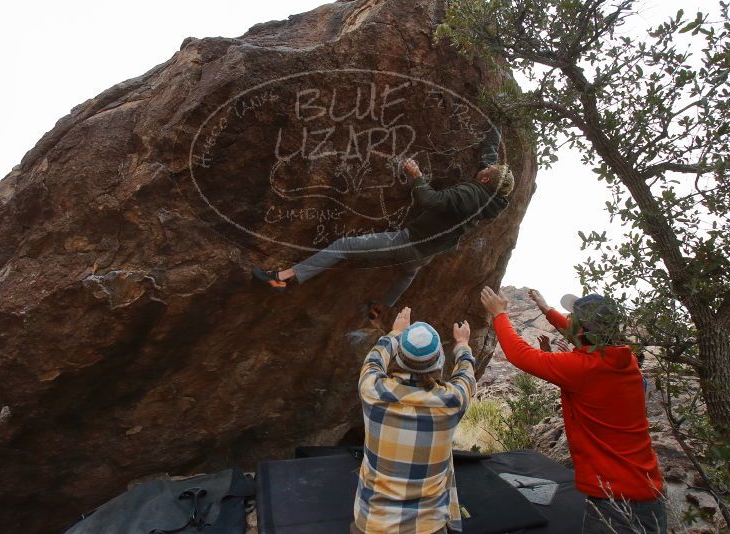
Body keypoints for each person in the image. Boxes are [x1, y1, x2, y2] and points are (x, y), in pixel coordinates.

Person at [252, 127, 514, 320]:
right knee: (406, 274)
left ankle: (283, 278)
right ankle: (378, 308)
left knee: (343, 246)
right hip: (427, 253)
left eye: (486, 172)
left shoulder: (468, 195)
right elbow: (489, 160)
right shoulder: (493, 201)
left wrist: (417, 176)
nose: (483, 169)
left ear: (486, 181)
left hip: (407, 242)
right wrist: (495, 131)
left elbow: (430, 201)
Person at [479, 287, 666, 534]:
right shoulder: (624, 359)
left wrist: (499, 314)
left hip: (615, 500)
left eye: (571, 319)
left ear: (580, 329)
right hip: (648, 490)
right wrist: (546, 310)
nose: (567, 322)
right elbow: (581, 336)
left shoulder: (583, 368)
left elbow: (520, 355)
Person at [352, 307, 476, 534]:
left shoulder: (372, 390)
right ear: (438, 361)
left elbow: (374, 358)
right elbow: (466, 374)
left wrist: (395, 333)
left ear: (399, 357)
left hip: (373, 522)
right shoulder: (452, 402)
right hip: (428, 526)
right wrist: (462, 344)